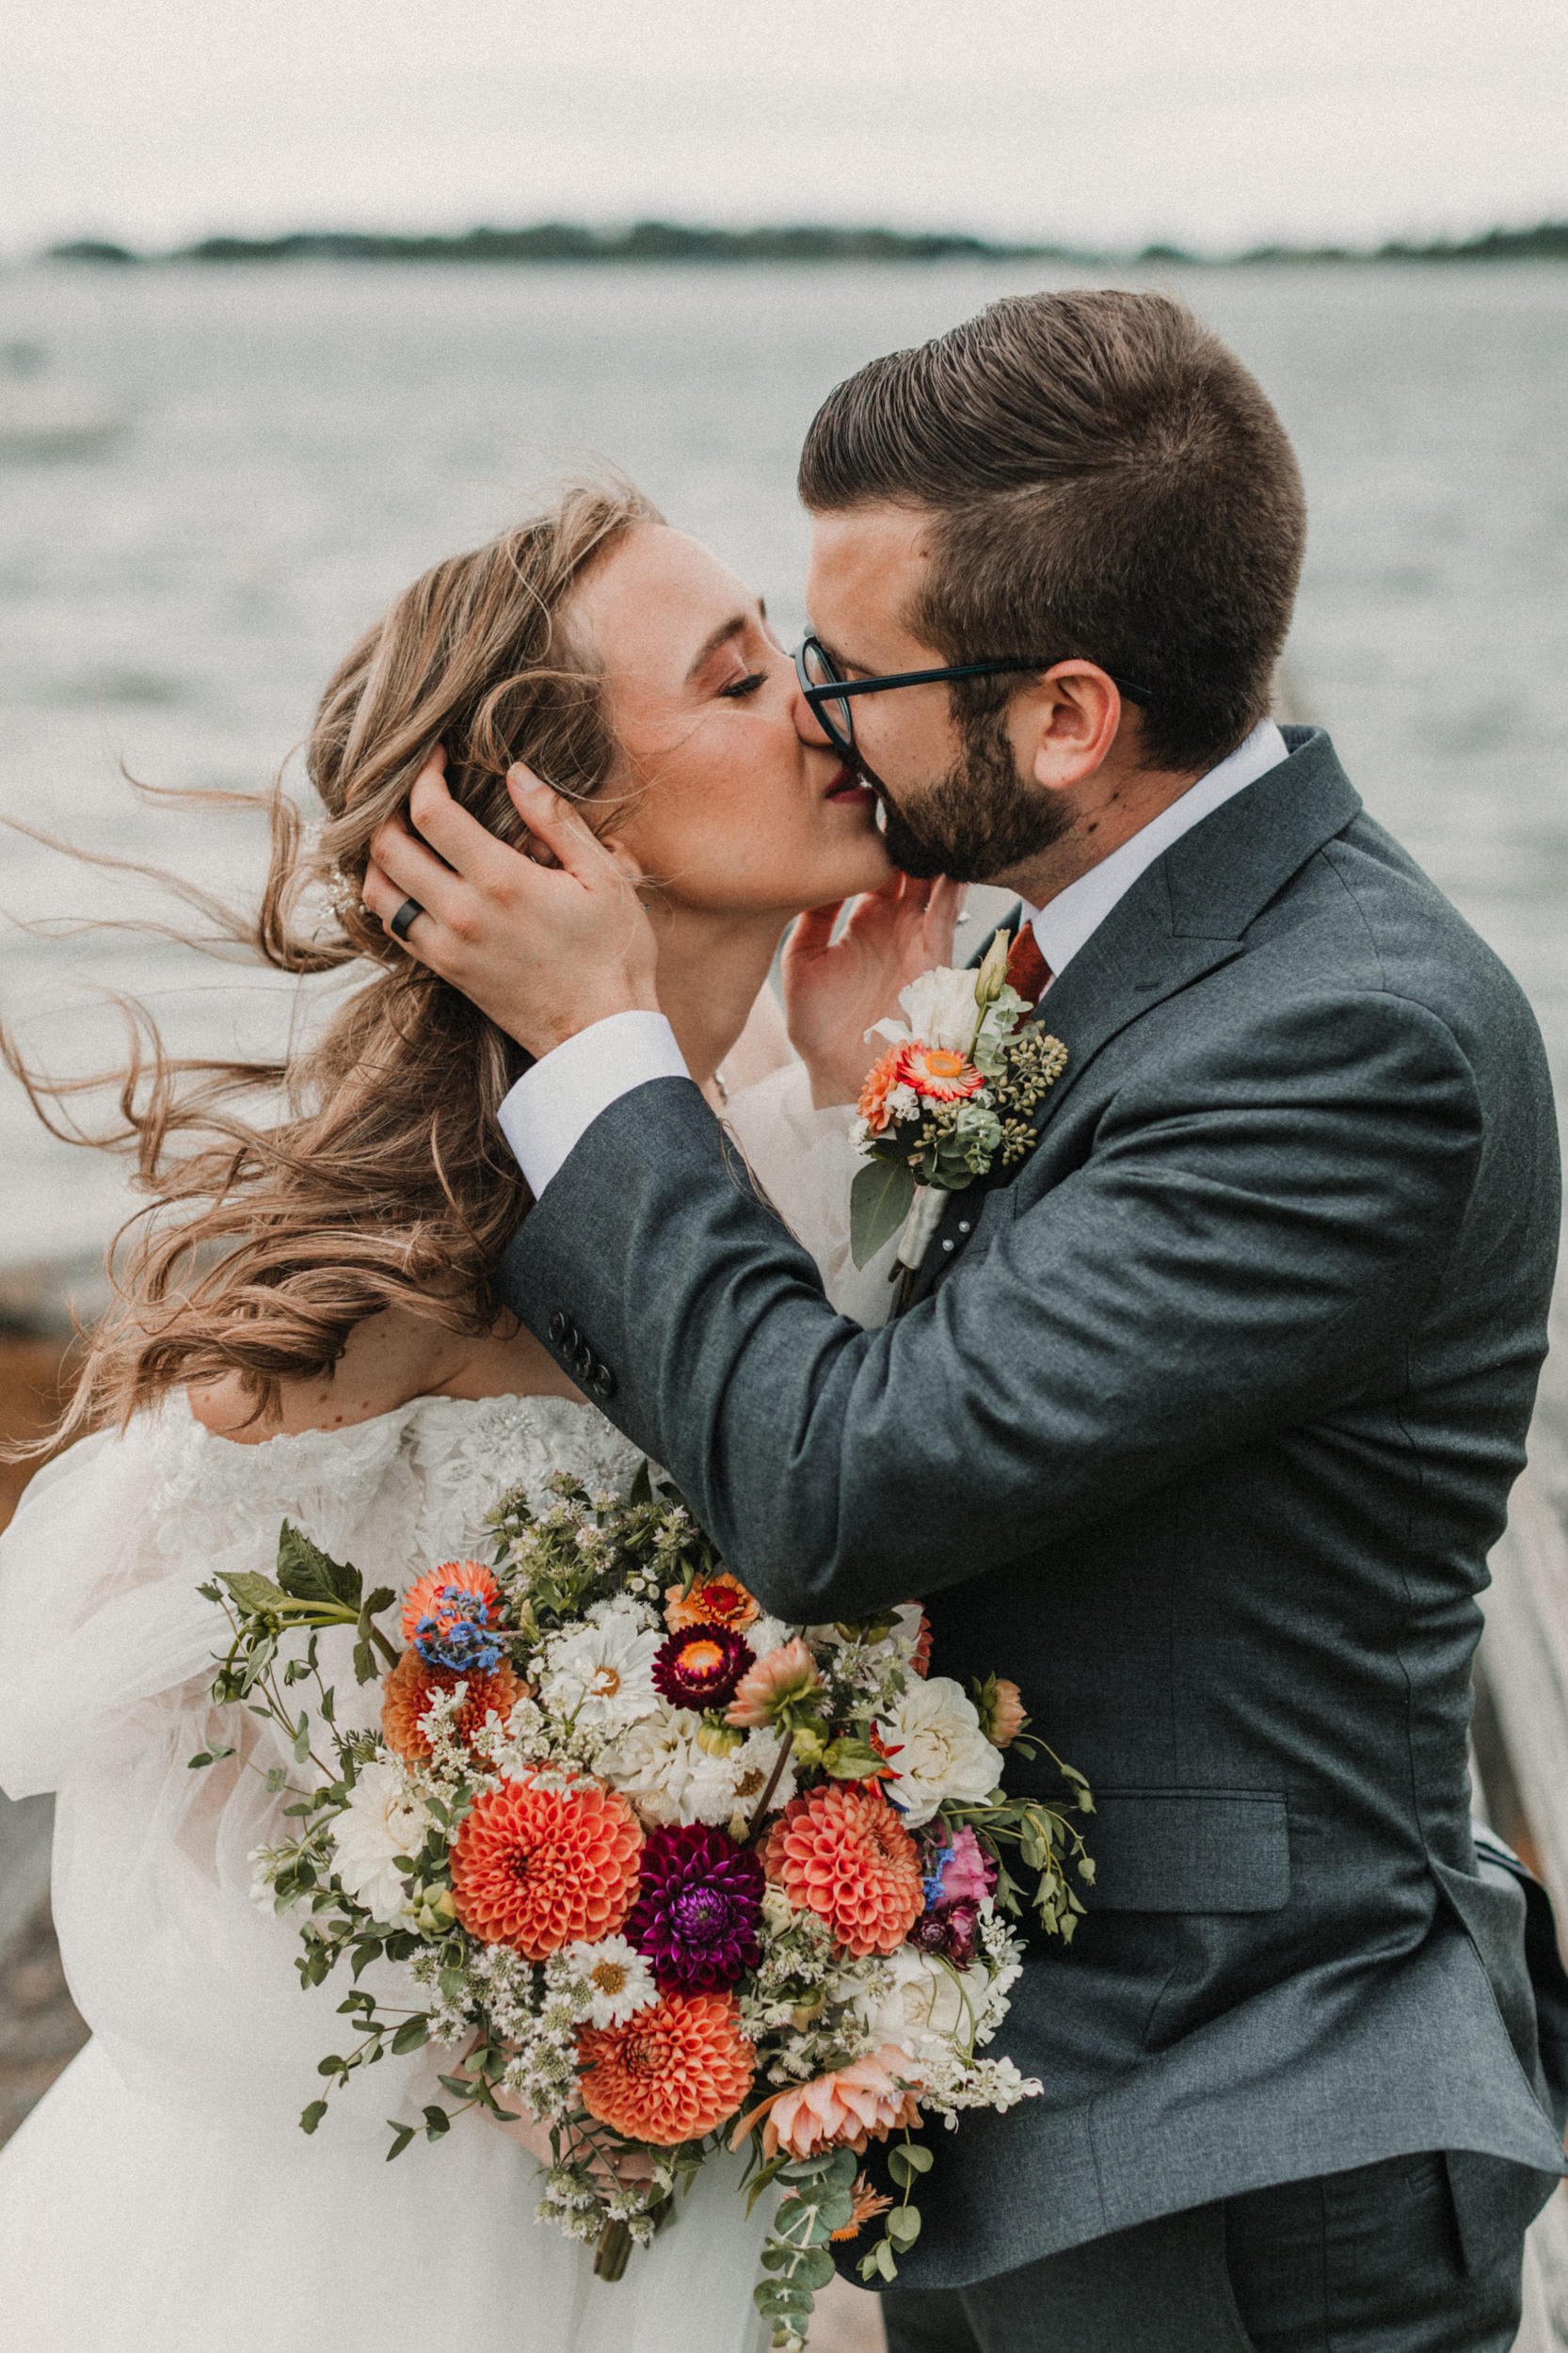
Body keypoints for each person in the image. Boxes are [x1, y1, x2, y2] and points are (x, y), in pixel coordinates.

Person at [362, 290, 1568, 2353]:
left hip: (1236, 2143)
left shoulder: (1339, 1035)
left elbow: (846, 1485)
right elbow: (1025, 1407)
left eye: (848, 670)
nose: (819, 717)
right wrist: (856, 1115)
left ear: (1067, 718)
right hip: (1043, 2120)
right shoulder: (1140, 957)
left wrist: (597, 1051)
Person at [0, 482, 953, 2353]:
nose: (819, 701)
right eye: (740, 674)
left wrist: (867, 1104)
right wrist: (516, 1957)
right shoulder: (394, 1280)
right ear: (556, 829)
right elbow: (121, 1768)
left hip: (739, 2169)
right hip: (405, 2222)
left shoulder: (804, 1126)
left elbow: (887, 1500)